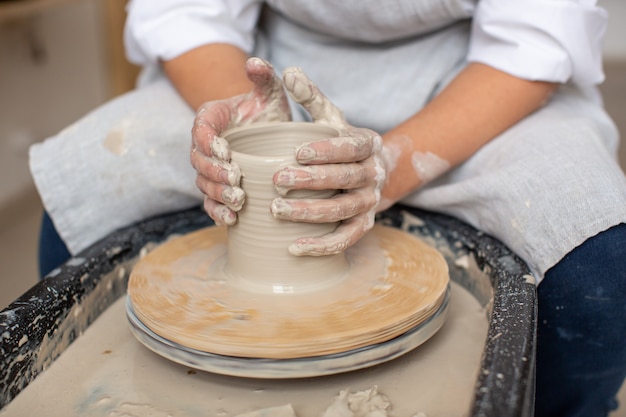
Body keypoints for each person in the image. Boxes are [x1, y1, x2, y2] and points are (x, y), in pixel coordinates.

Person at [30, 1, 626, 416]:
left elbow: (537, 31)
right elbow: (189, 12)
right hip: (267, 69)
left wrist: (389, 164)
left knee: (598, 262)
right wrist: (254, 117)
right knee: (77, 208)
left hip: (471, 75)